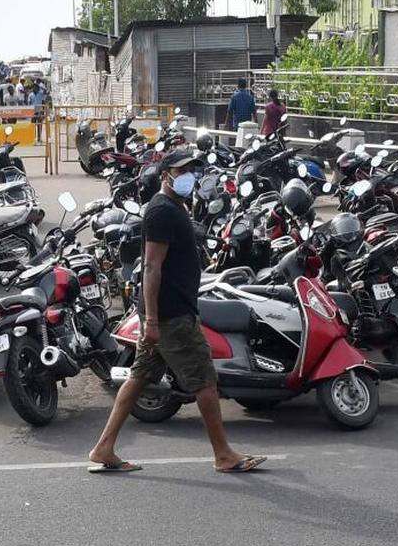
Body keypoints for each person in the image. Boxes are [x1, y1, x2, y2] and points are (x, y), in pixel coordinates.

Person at [88, 150, 265, 474]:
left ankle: (103, 447)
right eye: (183, 170)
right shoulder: (161, 211)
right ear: (166, 173)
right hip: (170, 316)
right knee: (205, 381)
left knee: (140, 376)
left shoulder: (174, 207)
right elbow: (152, 267)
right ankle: (223, 454)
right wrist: (153, 320)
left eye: (193, 170)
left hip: (170, 311)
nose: (190, 176)